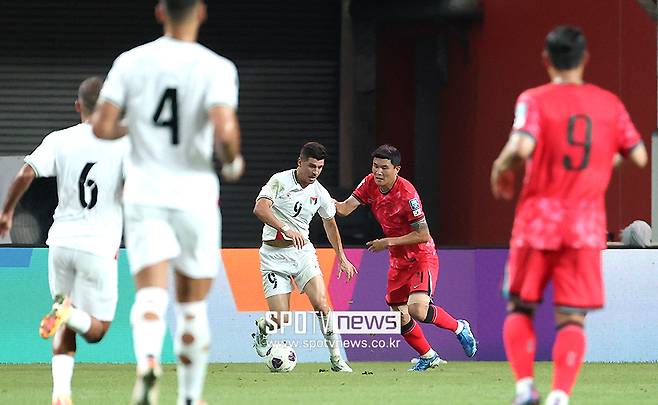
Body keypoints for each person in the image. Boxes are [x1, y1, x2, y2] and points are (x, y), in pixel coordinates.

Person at [92, 1, 244, 404]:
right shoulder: (216, 67)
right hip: (194, 194)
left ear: (160, 12)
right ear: (202, 11)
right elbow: (225, 131)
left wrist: (138, 126)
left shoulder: (131, 61)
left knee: (150, 295)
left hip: (144, 193)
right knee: (192, 305)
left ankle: (146, 363)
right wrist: (232, 161)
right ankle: (191, 397)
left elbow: (103, 126)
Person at [491, 26, 648, 405]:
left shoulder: (534, 98)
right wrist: (602, 161)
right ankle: (560, 395)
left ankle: (525, 388)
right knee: (572, 318)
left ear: (547, 60)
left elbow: (523, 143)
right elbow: (640, 156)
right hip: (584, 227)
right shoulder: (609, 103)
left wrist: (501, 166)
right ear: (586, 59)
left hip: (538, 222)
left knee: (520, 307)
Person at [0, 77, 128, 405]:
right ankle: (67, 314)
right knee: (97, 330)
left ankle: (60, 394)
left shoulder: (60, 139)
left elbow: (27, 171)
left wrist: (7, 213)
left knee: (64, 313)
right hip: (99, 247)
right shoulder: (125, 143)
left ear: (78, 107)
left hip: (59, 243)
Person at [334, 144, 477, 372]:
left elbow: (423, 234)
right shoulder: (369, 183)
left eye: (384, 168)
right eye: (375, 166)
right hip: (398, 261)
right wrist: (318, 196)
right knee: (399, 316)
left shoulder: (407, 194)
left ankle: (460, 328)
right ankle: (428, 356)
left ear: (397, 169)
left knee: (418, 310)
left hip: (421, 255)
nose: (378, 172)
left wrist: (387, 241)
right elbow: (343, 209)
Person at [252, 142, 356, 372]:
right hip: (274, 256)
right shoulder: (279, 181)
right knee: (280, 319)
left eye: (319, 167)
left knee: (322, 304)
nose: (315, 172)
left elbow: (330, 223)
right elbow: (260, 208)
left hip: (303, 255)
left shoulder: (319, 192)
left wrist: (342, 257)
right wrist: (284, 229)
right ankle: (261, 329)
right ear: (300, 162)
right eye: (311, 166)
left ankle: (337, 359)